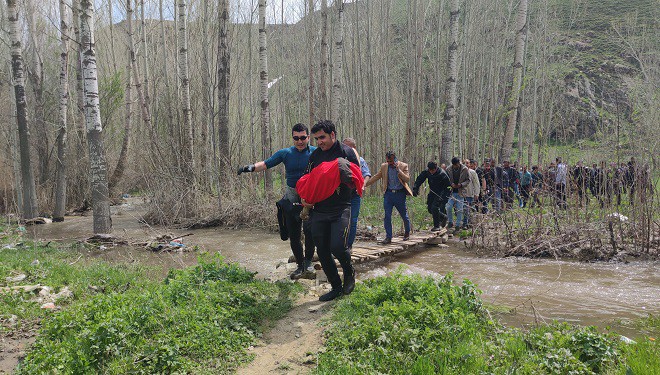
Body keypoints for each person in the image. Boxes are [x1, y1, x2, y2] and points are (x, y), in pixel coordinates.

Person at [237, 123, 316, 280]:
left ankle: (308, 263)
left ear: (308, 137)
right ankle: (300, 266)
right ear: (293, 138)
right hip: (291, 195)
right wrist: (249, 168)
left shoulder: (316, 152)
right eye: (296, 138)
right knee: (293, 234)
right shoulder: (285, 153)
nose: (300, 141)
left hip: (311, 196)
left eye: (303, 138)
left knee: (310, 232)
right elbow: (266, 164)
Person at [300, 120, 359, 301]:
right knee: (323, 249)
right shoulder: (315, 156)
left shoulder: (346, 152)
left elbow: (356, 179)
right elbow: (308, 180)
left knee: (338, 246)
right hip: (320, 209)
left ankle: (349, 273)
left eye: (323, 137)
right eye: (317, 139)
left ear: (332, 134)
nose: (320, 142)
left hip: (341, 207)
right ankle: (335, 286)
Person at [365, 151, 413, 244]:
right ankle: (388, 237)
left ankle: (407, 232)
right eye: (388, 161)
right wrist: (365, 184)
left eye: (391, 161)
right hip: (388, 194)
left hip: (400, 194)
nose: (389, 163)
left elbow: (407, 179)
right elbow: (376, 177)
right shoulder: (384, 166)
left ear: (395, 159)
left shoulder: (403, 166)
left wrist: (398, 170)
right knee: (387, 215)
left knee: (404, 215)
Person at [342, 138, 371, 251]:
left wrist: (362, 185)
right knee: (340, 220)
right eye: (345, 147)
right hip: (341, 195)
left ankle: (349, 245)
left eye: (350, 147)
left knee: (353, 221)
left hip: (354, 195)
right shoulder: (338, 160)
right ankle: (339, 245)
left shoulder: (360, 160)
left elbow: (367, 174)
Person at [412, 161, 451, 231]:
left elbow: (448, 187)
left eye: (433, 170)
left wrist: (445, 198)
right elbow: (419, 179)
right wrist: (415, 188)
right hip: (432, 192)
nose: (431, 172)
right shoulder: (427, 172)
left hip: (441, 193)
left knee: (434, 208)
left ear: (436, 168)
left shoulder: (442, 174)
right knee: (430, 209)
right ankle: (443, 216)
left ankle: (437, 226)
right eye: (430, 170)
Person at [445, 157, 470, 232]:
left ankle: (458, 225)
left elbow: (468, 180)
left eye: (458, 164)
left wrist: (461, 184)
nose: (457, 166)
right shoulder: (448, 169)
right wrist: (451, 184)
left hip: (461, 192)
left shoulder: (465, 169)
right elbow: (446, 179)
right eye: (456, 165)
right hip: (452, 192)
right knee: (448, 207)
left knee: (459, 209)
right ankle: (450, 222)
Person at [462, 159, 481, 228]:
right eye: (464, 163)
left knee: (467, 208)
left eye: (467, 163)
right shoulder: (459, 172)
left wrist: (477, 193)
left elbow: (476, 183)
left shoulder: (472, 172)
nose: (466, 164)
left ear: (469, 164)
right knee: (464, 209)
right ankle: (466, 222)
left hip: (470, 194)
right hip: (461, 194)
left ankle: (466, 223)